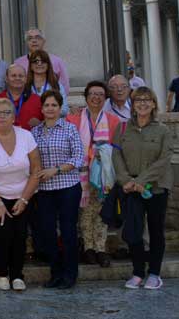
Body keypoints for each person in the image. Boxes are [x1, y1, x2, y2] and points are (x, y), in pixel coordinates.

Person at [0, 97, 41, 292]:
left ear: (14, 117)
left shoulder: (26, 137)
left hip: (24, 193)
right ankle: (1, 272)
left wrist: (24, 199)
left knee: (20, 235)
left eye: (7, 112)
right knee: (2, 234)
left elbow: (36, 169)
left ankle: (17, 275)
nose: (2, 116)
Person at [114, 87, 173, 290]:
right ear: (133, 104)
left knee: (156, 231)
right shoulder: (122, 129)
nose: (143, 103)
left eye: (147, 99)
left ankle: (155, 273)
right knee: (134, 232)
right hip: (131, 189)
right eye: (138, 99)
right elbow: (116, 156)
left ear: (154, 104)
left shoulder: (163, 130)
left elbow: (164, 159)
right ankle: (138, 272)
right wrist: (125, 181)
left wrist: (141, 180)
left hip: (156, 188)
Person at [31, 90, 85, 289]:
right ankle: (55, 274)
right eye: (47, 105)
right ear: (42, 108)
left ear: (60, 107)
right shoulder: (34, 132)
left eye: (54, 105)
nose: (50, 109)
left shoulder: (69, 129)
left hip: (67, 187)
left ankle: (70, 274)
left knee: (68, 231)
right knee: (48, 233)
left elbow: (78, 157)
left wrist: (57, 170)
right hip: (44, 189)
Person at [67, 80, 120, 268]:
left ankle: (100, 248)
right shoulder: (73, 119)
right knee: (85, 212)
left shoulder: (113, 121)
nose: (96, 97)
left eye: (100, 94)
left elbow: (118, 147)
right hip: (79, 173)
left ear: (105, 98)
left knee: (101, 212)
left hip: (103, 174)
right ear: (86, 97)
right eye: (92, 94)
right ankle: (88, 247)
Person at [14, 28, 71, 94]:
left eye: (37, 37)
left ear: (44, 41)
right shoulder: (18, 63)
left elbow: (65, 86)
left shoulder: (57, 61)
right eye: (30, 38)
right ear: (26, 42)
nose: (34, 41)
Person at [0, 65, 43, 130]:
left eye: (21, 76)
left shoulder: (38, 100)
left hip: (30, 139)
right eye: (13, 76)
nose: (17, 78)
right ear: (6, 79)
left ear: (26, 79)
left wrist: (41, 124)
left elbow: (49, 121)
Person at [25, 50, 69, 115]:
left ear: (48, 65)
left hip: (52, 123)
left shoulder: (57, 86)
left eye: (43, 61)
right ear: (31, 66)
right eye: (35, 61)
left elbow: (65, 109)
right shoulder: (24, 87)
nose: (39, 64)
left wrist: (46, 113)